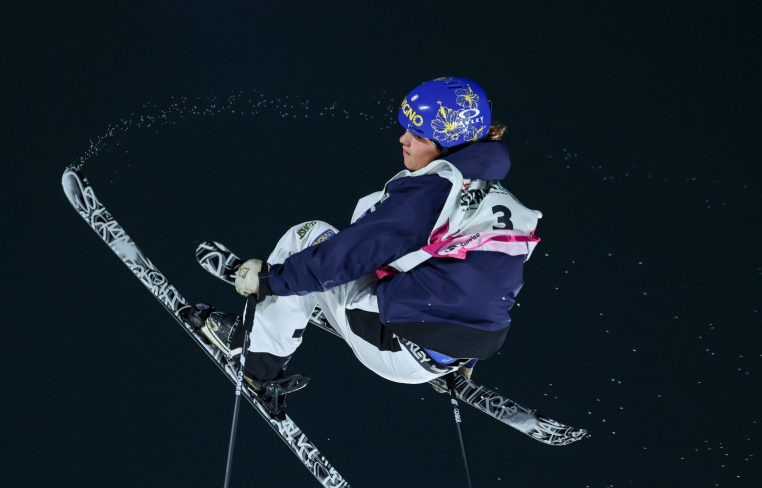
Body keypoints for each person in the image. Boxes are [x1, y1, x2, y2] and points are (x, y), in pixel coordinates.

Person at [197, 76, 543, 394]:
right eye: (406, 128)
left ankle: (255, 363)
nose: (403, 139)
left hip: (399, 350)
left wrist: (270, 280)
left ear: (449, 144)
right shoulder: (497, 198)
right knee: (370, 257)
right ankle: (442, 359)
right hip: (457, 350)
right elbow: (493, 281)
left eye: (419, 135)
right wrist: (463, 356)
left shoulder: (432, 192)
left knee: (308, 236)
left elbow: (348, 254)